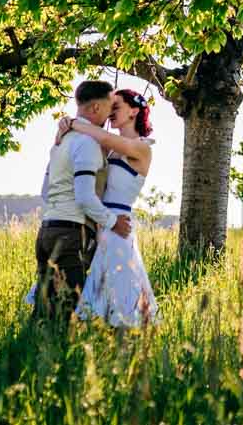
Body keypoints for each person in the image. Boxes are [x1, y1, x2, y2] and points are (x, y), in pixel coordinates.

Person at [28, 79, 132, 321]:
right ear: (96, 108)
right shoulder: (87, 144)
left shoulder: (60, 142)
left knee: (43, 311)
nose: (110, 114)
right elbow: (84, 197)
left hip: (46, 231)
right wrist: (113, 221)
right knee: (65, 312)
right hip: (69, 234)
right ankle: (55, 357)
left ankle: (29, 354)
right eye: (109, 107)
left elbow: (45, 191)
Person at [59, 87, 160, 327]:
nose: (110, 112)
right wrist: (64, 125)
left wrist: (74, 122)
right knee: (90, 295)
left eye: (116, 107)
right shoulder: (109, 148)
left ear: (134, 111)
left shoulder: (142, 148)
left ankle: (125, 352)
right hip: (98, 222)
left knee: (121, 299)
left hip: (118, 226)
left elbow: (103, 136)